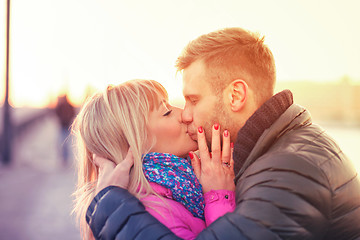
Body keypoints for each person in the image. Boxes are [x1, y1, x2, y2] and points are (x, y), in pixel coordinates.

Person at [86, 27, 360, 239]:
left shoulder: (290, 171)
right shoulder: (269, 153)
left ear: (236, 95)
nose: (185, 114)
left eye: (193, 99)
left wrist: (110, 205)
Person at [71, 79, 236, 240]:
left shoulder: (181, 187)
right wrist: (219, 196)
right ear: (134, 143)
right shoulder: (154, 211)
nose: (185, 114)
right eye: (167, 112)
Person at [54, 94, 76, 166]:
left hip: (67, 127)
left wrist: (69, 119)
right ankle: (64, 159)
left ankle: (65, 159)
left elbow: (73, 113)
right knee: (62, 143)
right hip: (62, 126)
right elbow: (56, 113)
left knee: (66, 144)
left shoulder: (69, 106)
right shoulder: (60, 106)